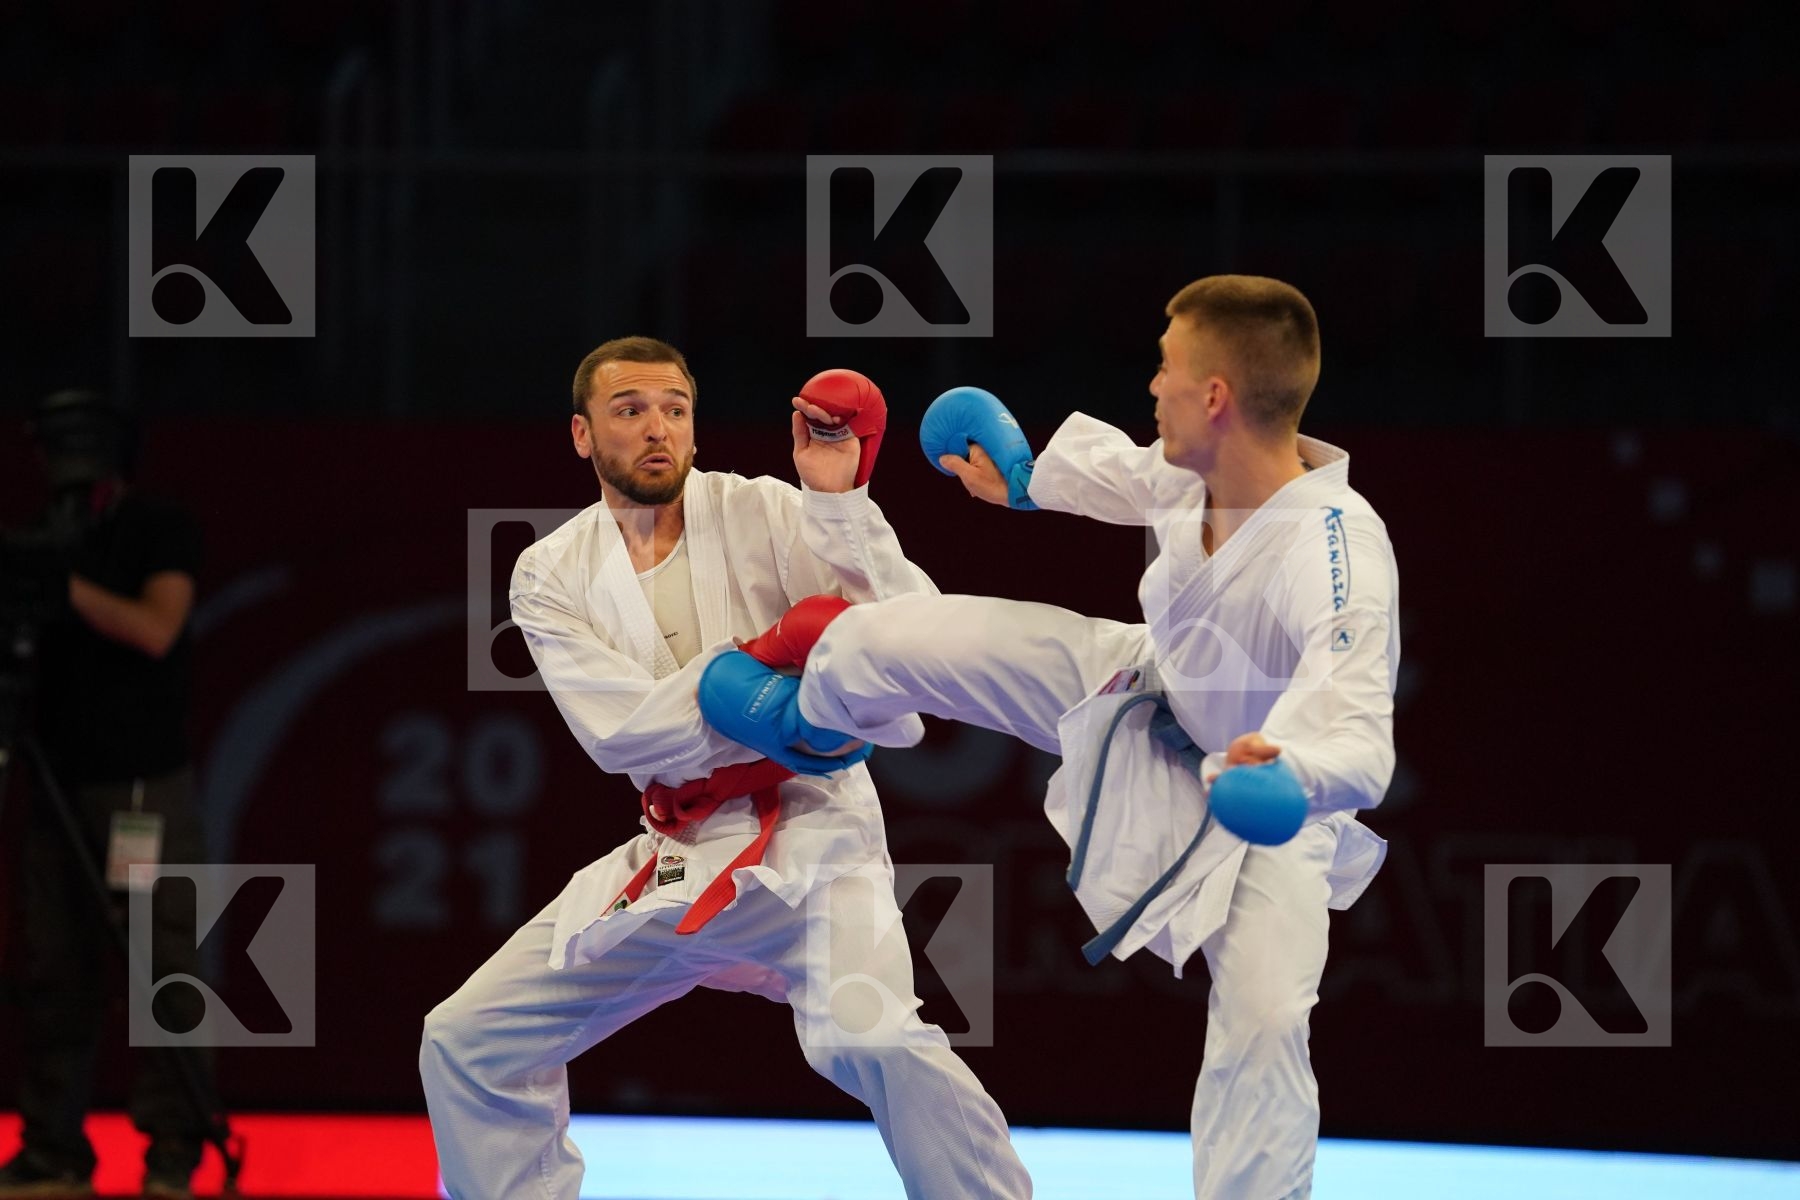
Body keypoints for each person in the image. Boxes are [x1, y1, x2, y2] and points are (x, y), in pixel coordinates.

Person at [704, 277, 1398, 1199]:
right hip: (1140, 685)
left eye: (1167, 370)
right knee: (887, 637)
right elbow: (1138, 475)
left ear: (1217, 397)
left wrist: (1293, 774)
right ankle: (808, 725)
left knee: (1266, 1024)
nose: (1153, 387)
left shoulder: (1337, 548)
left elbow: (1360, 734)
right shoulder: (1211, 466)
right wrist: (1029, 482)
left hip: (1263, 800)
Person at [418, 338, 1032, 1200]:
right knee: (467, 1040)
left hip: (815, 836)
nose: (657, 427)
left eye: (675, 408)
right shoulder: (549, 571)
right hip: (677, 852)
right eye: (629, 410)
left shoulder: (766, 511)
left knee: (878, 1039)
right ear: (582, 436)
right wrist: (757, 666)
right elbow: (619, 735)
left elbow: (911, 637)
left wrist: (839, 498)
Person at [1, 391, 214, 1200]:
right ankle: (52, 1151)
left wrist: (67, 584)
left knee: (164, 971)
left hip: (140, 791)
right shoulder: (34, 543)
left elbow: (158, 627)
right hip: (54, 781)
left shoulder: (156, 527)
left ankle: (173, 1154)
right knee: (54, 971)